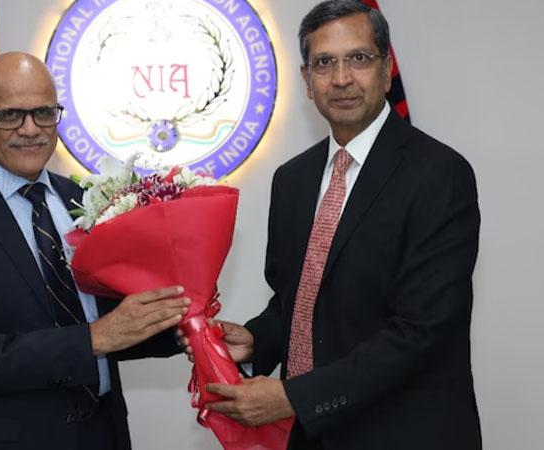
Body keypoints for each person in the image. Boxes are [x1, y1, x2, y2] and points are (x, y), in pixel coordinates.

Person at [189, 1, 482, 449]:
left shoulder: (439, 174)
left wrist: (293, 397)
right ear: (307, 81)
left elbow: (421, 332)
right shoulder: (292, 179)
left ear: (386, 70)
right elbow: (297, 301)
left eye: (358, 58)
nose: (341, 78)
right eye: (324, 63)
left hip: (405, 434)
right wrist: (257, 341)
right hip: (312, 436)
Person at [0, 52, 189, 450]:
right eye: (10, 115)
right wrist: (92, 339)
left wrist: (184, 328)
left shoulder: (86, 200)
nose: (31, 129)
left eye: (43, 113)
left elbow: (113, 323)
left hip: (102, 436)